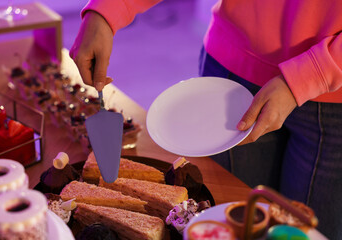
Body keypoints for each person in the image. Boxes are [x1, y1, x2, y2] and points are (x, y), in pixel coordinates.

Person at [69, 0, 342, 239]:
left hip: (334, 105)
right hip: (231, 76)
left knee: (310, 231)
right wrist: (106, 11)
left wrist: (311, 75)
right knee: (227, 218)